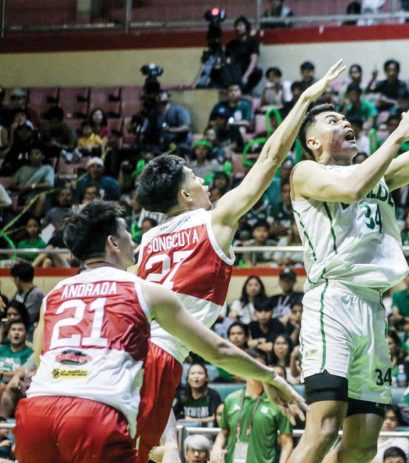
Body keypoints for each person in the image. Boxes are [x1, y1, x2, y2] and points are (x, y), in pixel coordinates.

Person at [134, 62, 344, 461]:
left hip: (132, 351)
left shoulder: (145, 242)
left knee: (162, 450)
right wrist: (303, 101)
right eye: (196, 178)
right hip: (160, 355)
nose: (205, 182)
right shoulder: (216, 219)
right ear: (184, 196)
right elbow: (268, 159)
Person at [287, 61, 409, 463]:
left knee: (362, 443)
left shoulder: (377, 173)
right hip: (331, 302)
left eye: (345, 117)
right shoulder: (306, 172)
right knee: (323, 428)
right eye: (333, 120)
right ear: (314, 143)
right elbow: (352, 188)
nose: (345, 122)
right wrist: (397, 134)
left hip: (373, 309)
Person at [14, 201, 303, 463]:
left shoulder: (54, 294)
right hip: (94, 413)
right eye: (128, 232)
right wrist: (270, 376)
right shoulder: (145, 290)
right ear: (112, 242)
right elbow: (218, 350)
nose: (134, 240)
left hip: (36, 413)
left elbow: (41, 362)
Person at [211, 348, 294, 463]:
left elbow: (287, 441)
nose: (254, 373)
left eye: (258, 368)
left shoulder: (278, 402)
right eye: (249, 367)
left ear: (266, 370)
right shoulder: (231, 399)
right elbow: (223, 432)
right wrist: (217, 447)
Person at [225, 16, 262, 94]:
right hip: (234, 71)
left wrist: (246, 76)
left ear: (246, 27)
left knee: (258, 72)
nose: (238, 28)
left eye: (241, 25)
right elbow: (226, 61)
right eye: (236, 26)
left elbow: (253, 61)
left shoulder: (252, 43)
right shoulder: (231, 44)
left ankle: (245, 93)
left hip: (247, 71)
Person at [0, 320, 32, 388]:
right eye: (13, 329)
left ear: (27, 335)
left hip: (15, 389)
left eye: (20, 330)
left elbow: (23, 375)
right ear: (8, 334)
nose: (16, 332)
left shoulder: (30, 354)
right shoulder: (1, 349)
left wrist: (2, 375)